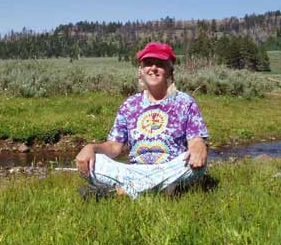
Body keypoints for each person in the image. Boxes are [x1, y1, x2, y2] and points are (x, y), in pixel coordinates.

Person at [75, 42, 209, 199]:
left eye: (160, 64)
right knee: (92, 162)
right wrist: (91, 147)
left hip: (172, 167)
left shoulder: (185, 102)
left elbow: (195, 140)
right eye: (148, 63)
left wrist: (199, 146)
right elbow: (114, 146)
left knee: (195, 164)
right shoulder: (129, 104)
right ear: (141, 71)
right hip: (135, 170)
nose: (153, 68)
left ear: (170, 71)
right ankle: (162, 189)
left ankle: (120, 191)